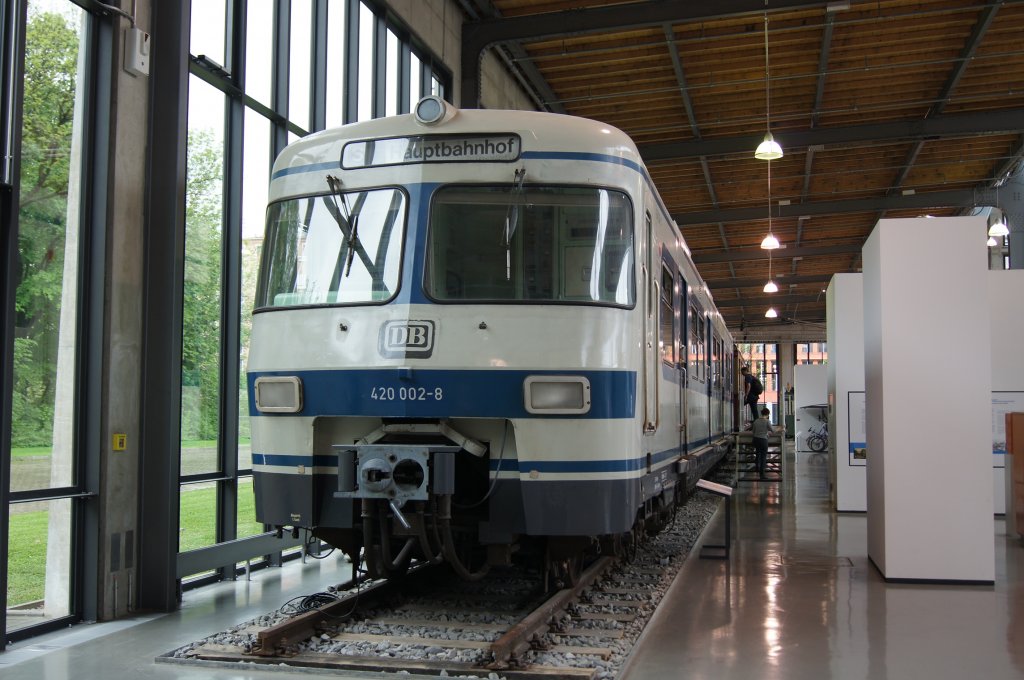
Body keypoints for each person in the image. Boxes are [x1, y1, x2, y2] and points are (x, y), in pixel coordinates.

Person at [751, 407, 772, 479]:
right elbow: (773, 430)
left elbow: (753, 432)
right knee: (763, 457)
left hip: (756, 440)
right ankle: (762, 475)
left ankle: (757, 467)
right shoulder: (767, 421)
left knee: (758, 453)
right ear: (767, 414)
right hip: (763, 440)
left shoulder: (756, 421)